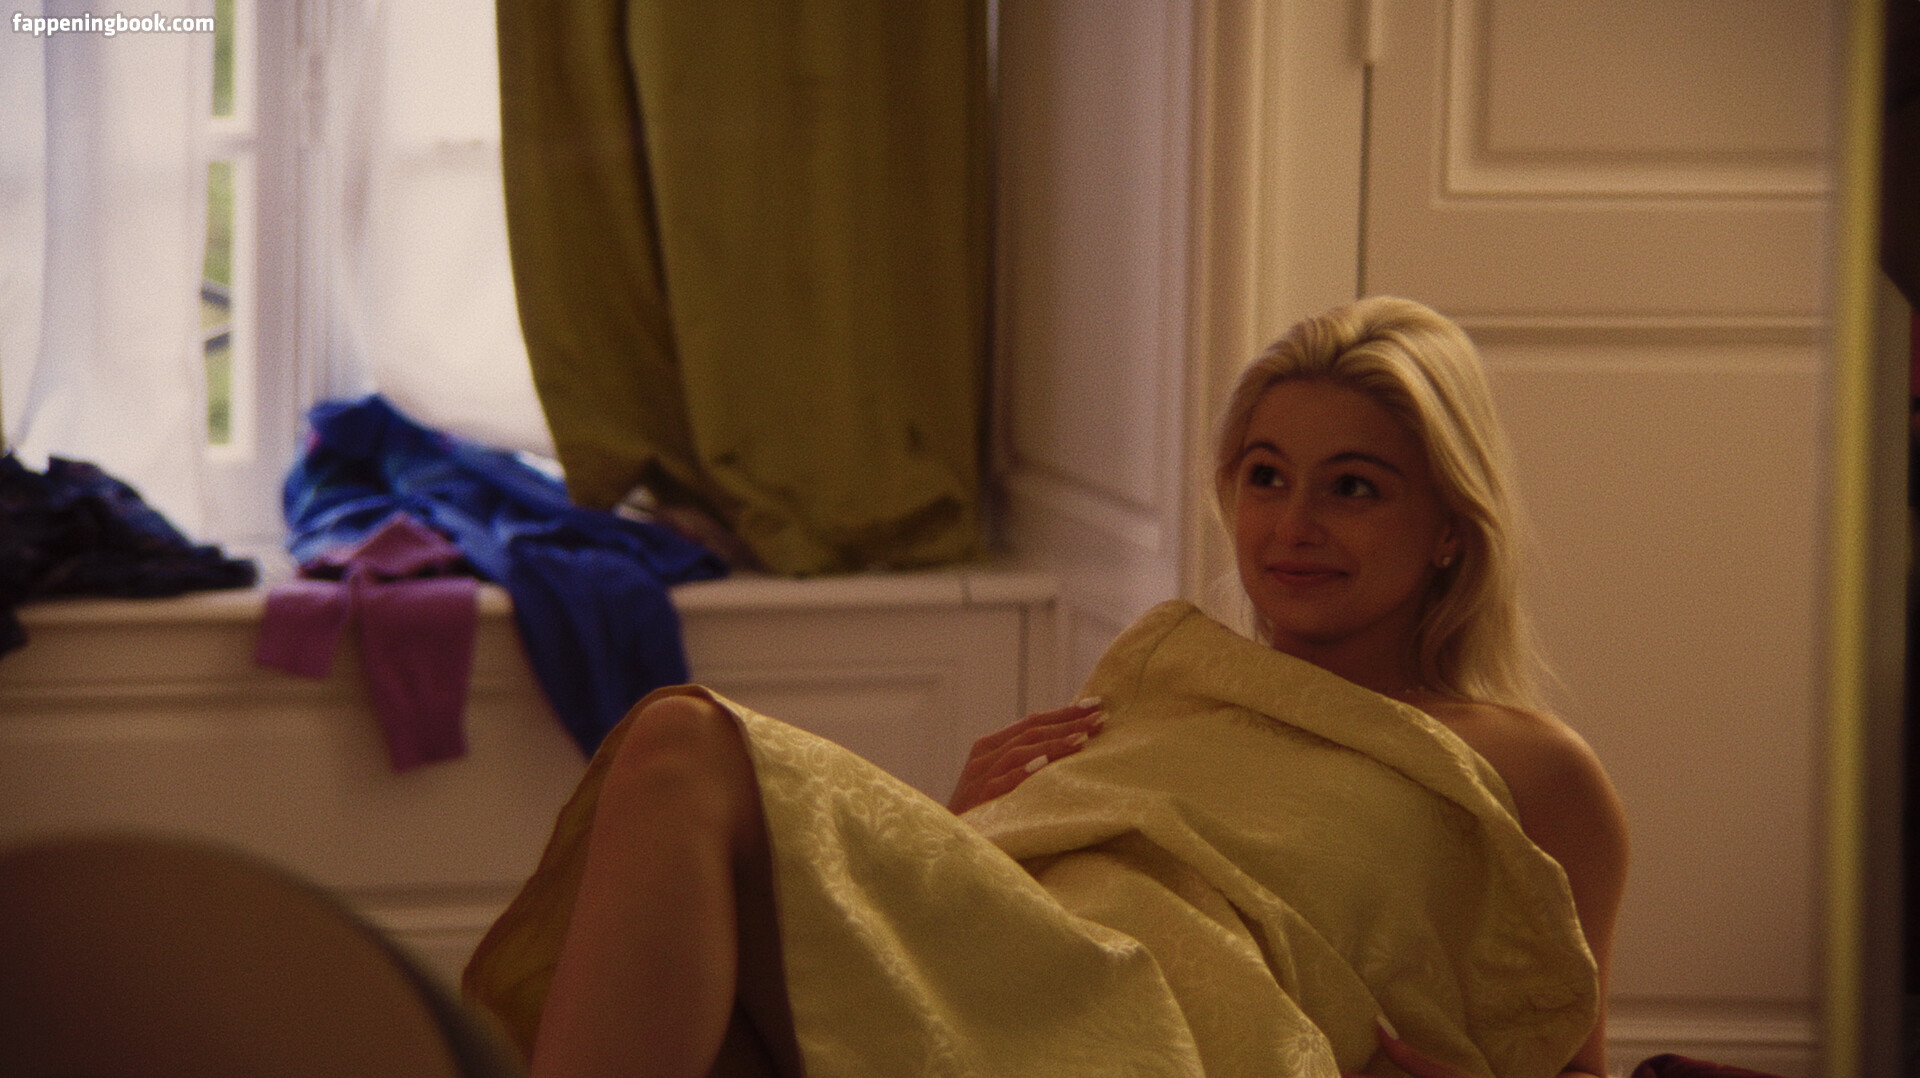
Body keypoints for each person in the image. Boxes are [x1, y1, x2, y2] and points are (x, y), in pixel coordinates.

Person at [463, 296, 1629, 1078]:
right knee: (677, 751)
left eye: (1354, 487)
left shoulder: (1527, 767)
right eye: (1266, 475)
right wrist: (952, 828)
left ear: (1449, 526)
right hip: (1016, 971)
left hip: (1163, 1035)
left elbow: (1570, 1053)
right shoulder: (1175, 676)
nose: (1292, 524)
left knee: (686, 741)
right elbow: (1080, 882)